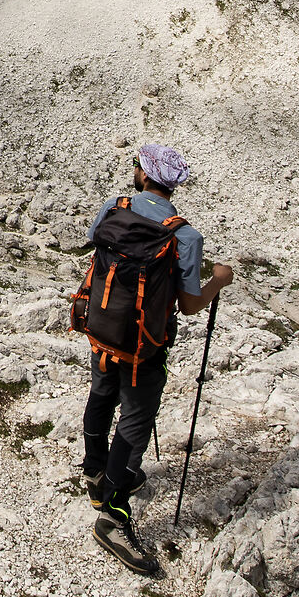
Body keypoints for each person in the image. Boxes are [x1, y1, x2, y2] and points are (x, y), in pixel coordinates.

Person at [80, 142, 232, 530]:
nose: (134, 169)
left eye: (137, 164)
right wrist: (218, 280)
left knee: (101, 393)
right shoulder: (186, 236)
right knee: (135, 418)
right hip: (145, 344)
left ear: (145, 175)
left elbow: (96, 244)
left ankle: (95, 472)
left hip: (102, 328)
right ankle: (113, 511)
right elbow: (190, 304)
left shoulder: (114, 207)